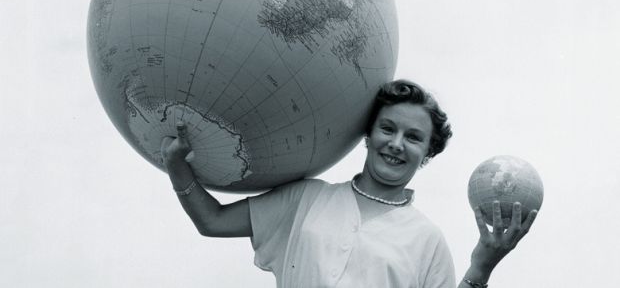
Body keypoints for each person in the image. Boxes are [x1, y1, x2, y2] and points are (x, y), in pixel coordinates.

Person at [161, 80, 537, 288]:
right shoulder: (306, 198)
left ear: (427, 154)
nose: (395, 143)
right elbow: (212, 221)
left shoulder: (426, 239)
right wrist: (177, 164)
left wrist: (481, 266)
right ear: (367, 136)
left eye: (413, 137)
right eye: (387, 129)